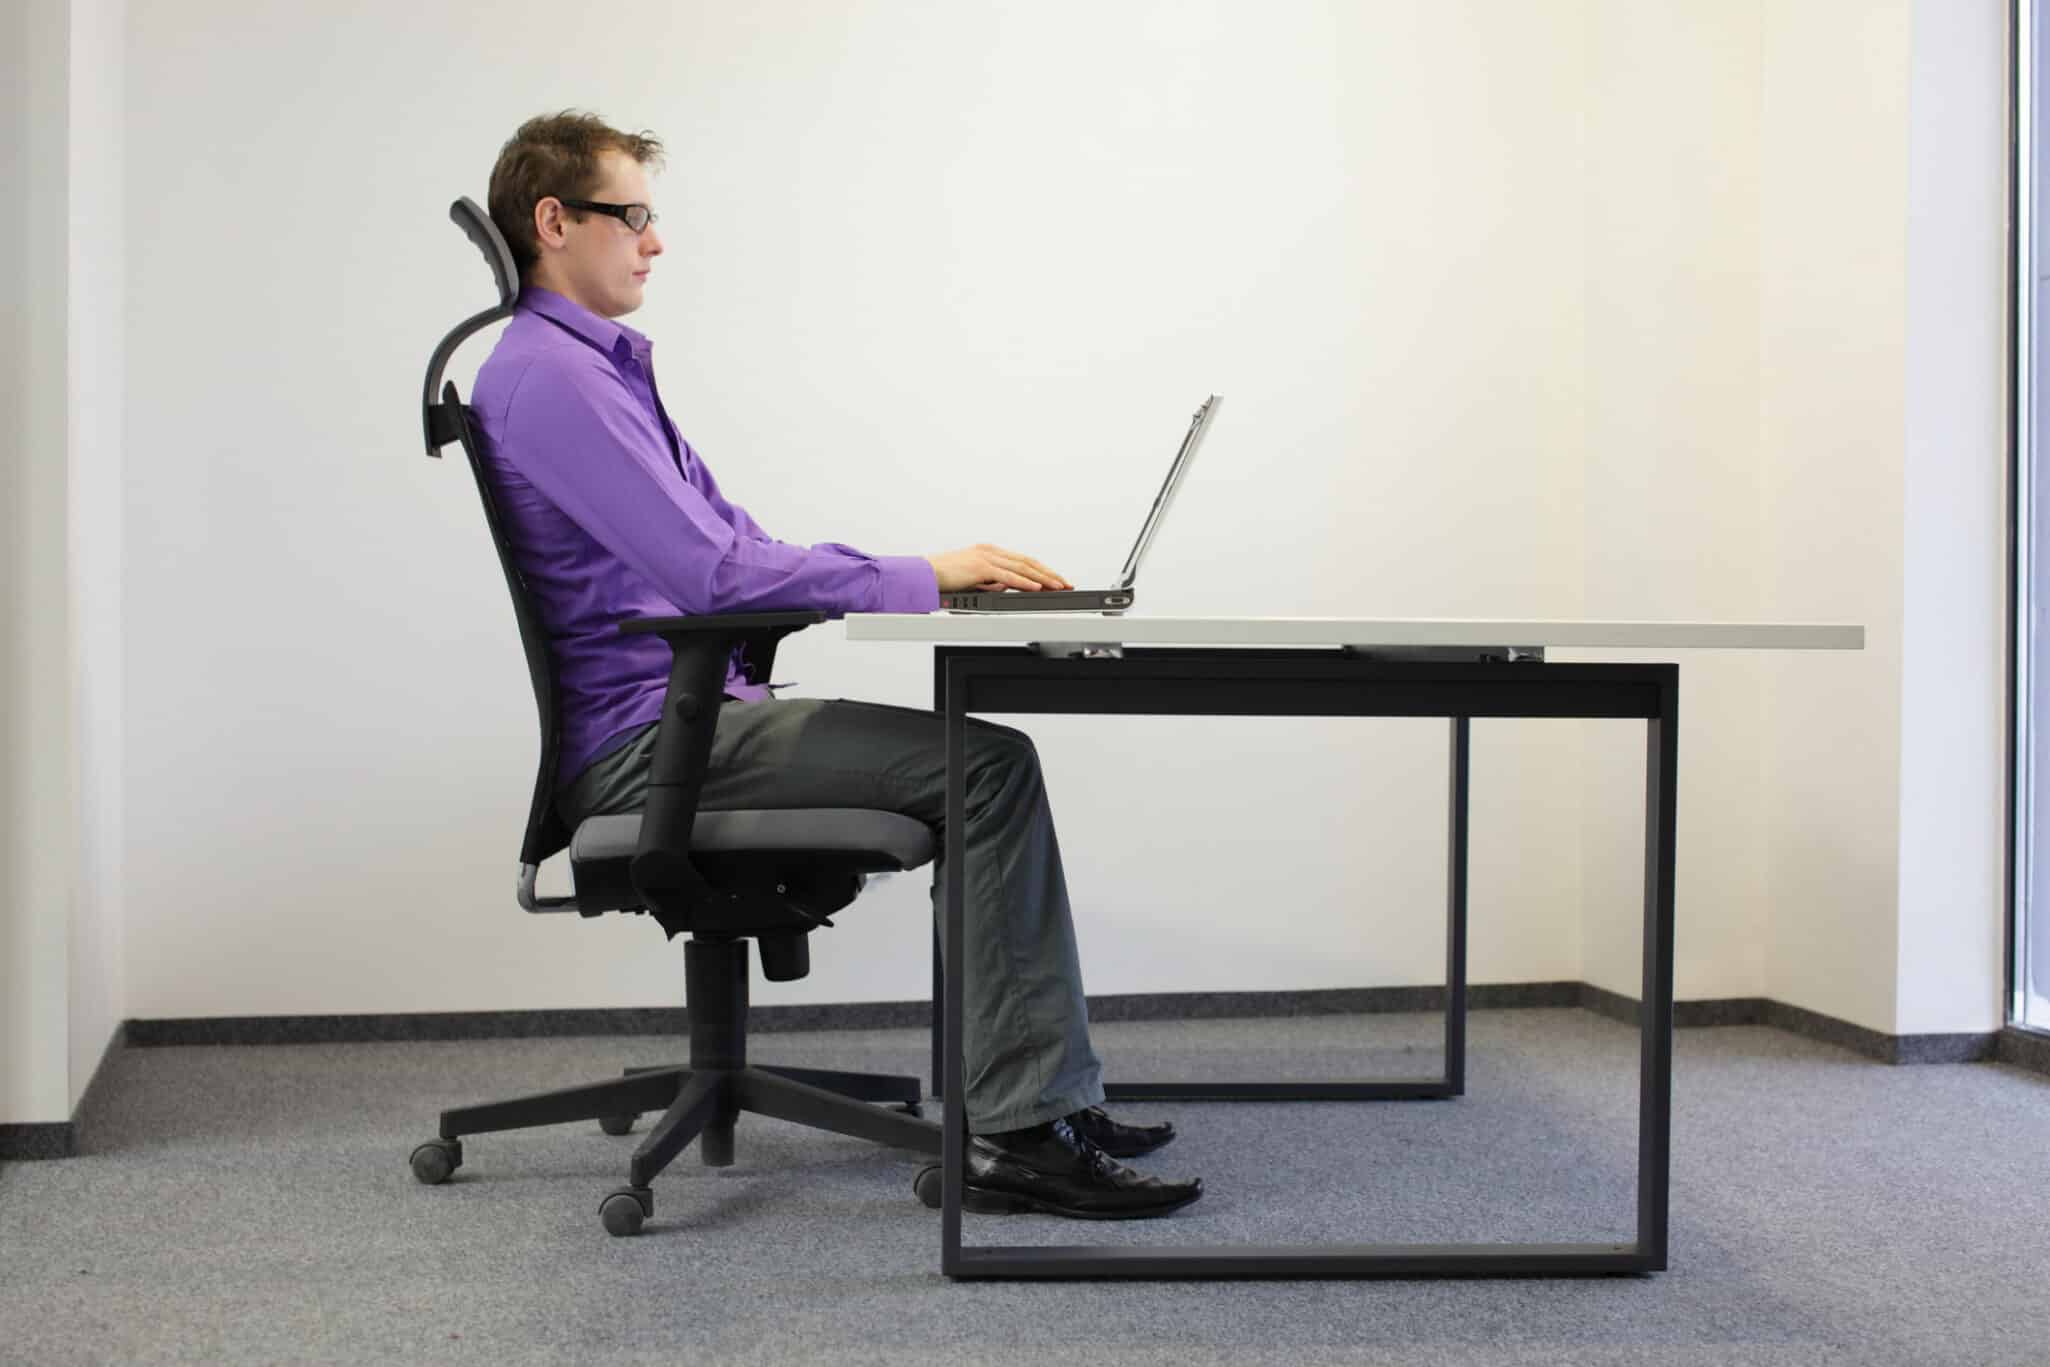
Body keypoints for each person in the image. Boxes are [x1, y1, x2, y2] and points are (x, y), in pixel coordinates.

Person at [469, 110, 1201, 1220]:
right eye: (635, 216)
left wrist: (925, 574)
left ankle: (1046, 1098)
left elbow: (733, 548)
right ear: (554, 220)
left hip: (689, 720)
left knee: (987, 758)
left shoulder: (595, 371)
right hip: (650, 748)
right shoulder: (550, 378)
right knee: (988, 768)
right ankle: (1020, 1133)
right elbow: (715, 579)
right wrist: (920, 572)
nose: (655, 242)